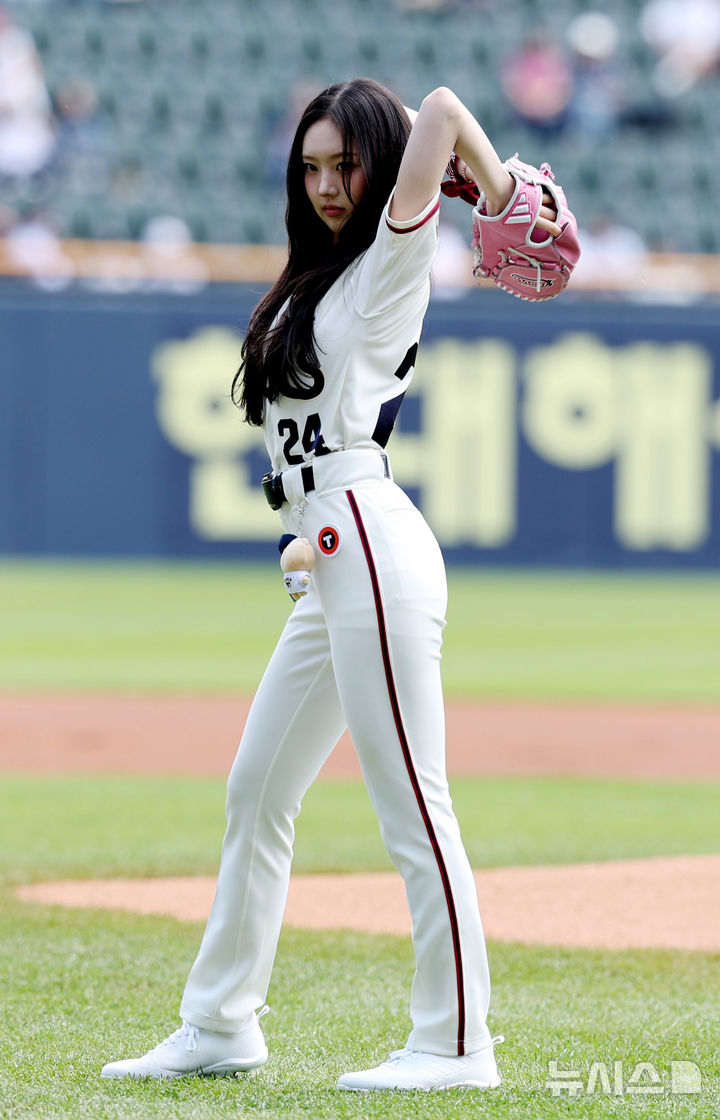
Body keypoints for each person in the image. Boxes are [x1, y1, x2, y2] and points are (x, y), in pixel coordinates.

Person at [100, 78, 561, 1092]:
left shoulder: (393, 259)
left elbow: (440, 109)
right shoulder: (318, 280)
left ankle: (457, 1044)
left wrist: (495, 188)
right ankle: (221, 1023)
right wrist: (301, 536)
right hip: (332, 550)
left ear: (381, 165)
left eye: (345, 164)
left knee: (412, 805)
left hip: (377, 550)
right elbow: (310, 446)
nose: (325, 184)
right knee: (257, 788)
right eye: (310, 167)